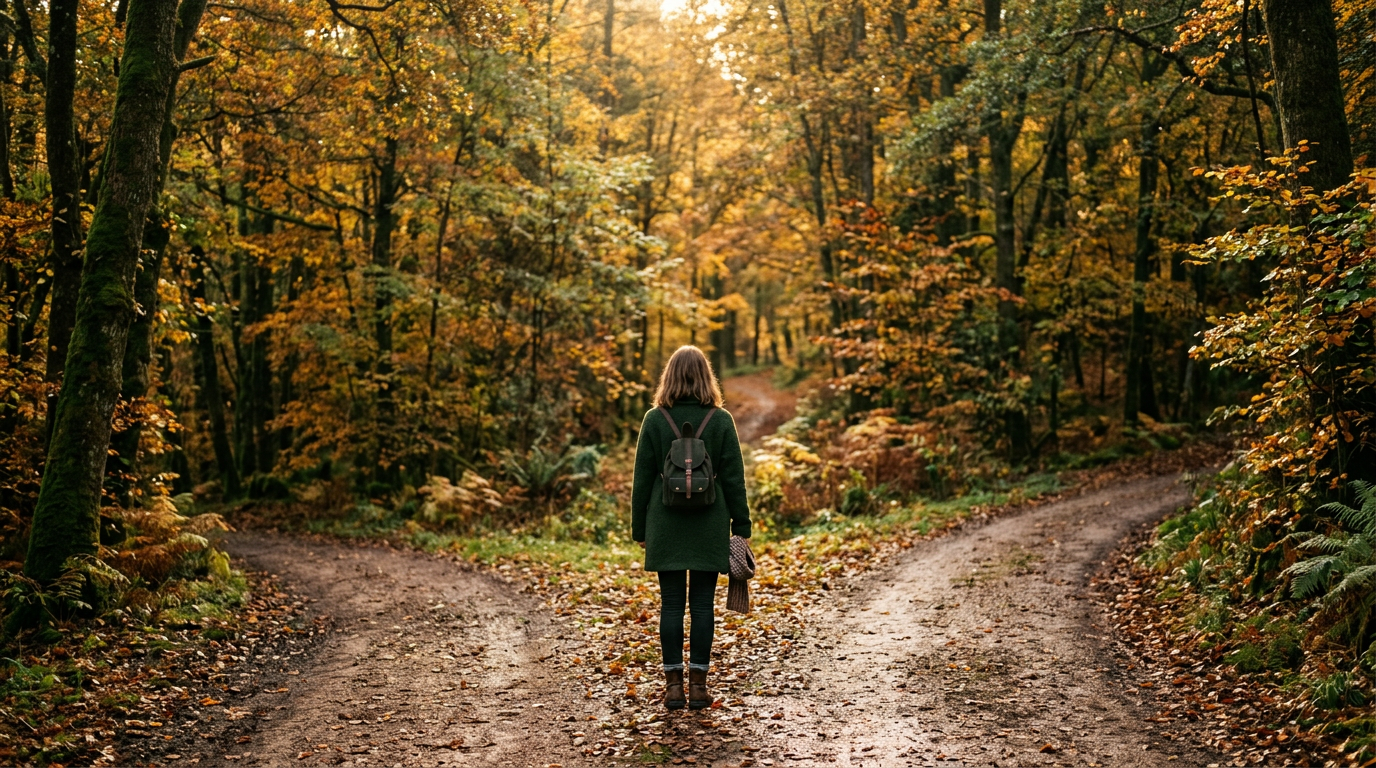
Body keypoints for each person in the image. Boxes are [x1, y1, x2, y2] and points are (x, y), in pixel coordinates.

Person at [632, 345, 751, 711]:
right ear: (706, 376)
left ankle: (672, 689)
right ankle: (698, 688)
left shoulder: (655, 419)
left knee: (670, 605)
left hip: (664, 523)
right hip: (708, 522)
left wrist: (640, 529)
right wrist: (741, 525)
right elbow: (733, 479)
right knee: (701, 605)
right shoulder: (720, 420)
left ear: (669, 376)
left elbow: (641, 479)